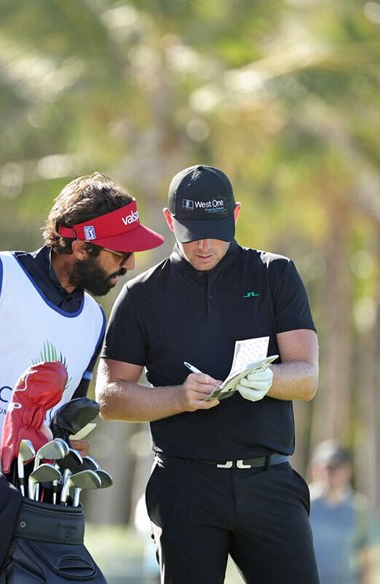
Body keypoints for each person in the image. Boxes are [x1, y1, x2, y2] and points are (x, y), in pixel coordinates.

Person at [0, 172, 164, 583]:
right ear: (81, 246)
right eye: (121, 253)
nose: (130, 265)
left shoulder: (92, 319)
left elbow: (65, 413)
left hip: (32, 502)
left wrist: (69, 442)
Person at [96, 164, 320, 584]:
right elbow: (109, 397)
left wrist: (269, 381)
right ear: (169, 221)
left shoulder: (274, 274)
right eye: (191, 231)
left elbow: (306, 378)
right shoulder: (142, 295)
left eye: (215, 231)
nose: (203, 245)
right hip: (185, 485)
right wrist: (177, 398)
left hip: (268, 480)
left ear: (235, 216)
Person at [308, 440, 375, 584]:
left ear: (348, 470)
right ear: (314, 469)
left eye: (336, 467)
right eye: (326, 467)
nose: (330, 473)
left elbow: (366, 558)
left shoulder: (358, 508)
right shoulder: (303, 503)